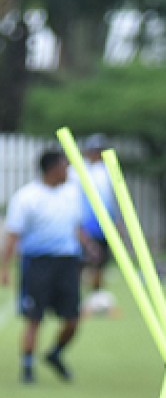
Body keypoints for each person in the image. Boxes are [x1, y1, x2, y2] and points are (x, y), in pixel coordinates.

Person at [1, 149, 87, 383]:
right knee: (34, 317)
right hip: (38, 263)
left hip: (67, 262)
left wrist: (88, 245)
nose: (68, 171)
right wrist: (4, 267)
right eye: (64, 167)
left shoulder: (71, 194)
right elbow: (12, 234)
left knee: (73, 318)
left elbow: (75, 227)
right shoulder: (27, 197)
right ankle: (27, 368)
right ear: (52, 169)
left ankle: (55, 353)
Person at [74, 134, 124, 307]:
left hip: (105, 225)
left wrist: (117, 222)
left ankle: (96, 297)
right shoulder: (78, 171)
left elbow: (113, 200)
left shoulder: (109, 170)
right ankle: (76, 296)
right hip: (85, 224)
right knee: (82, 261)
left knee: (101, 262)